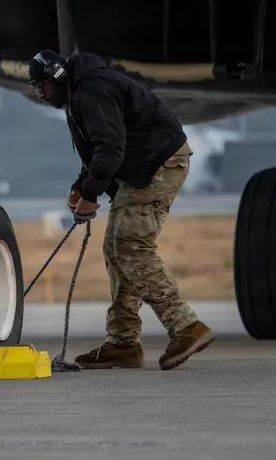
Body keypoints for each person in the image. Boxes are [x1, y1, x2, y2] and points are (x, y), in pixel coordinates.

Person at [29, 49, 213, 370]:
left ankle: (185, 326)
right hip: (143, 167)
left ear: (57, 76)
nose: (39, 94)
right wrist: (82, 185)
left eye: (40, 86)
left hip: (156, 165)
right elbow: (101, 148)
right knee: (117, 248)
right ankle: (123, 343)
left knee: (130, 245)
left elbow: (112, 146)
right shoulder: (82, 93)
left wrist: (90, 193)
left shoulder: (90, 92)